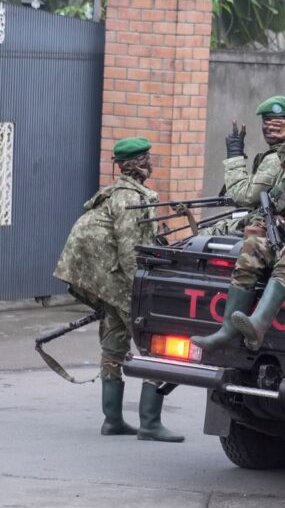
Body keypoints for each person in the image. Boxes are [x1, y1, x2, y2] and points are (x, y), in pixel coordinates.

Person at [53, 137, 183, 443]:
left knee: (114, 344)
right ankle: (150, 423)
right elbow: (129, 251)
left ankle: (113, 421)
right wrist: (141, 289)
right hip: (121, 281)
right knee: (155, 343)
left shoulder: (122, 193)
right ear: (133, 165)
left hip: (107, 281)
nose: (151, 163)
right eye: (146, 158)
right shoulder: (128, 199)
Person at [192, 137, 285, 352]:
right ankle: (227, 330)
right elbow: (257, 216)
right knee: (253, 246)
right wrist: (260, 225)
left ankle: (258, 324)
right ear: (284, 165)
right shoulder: (281, 190)